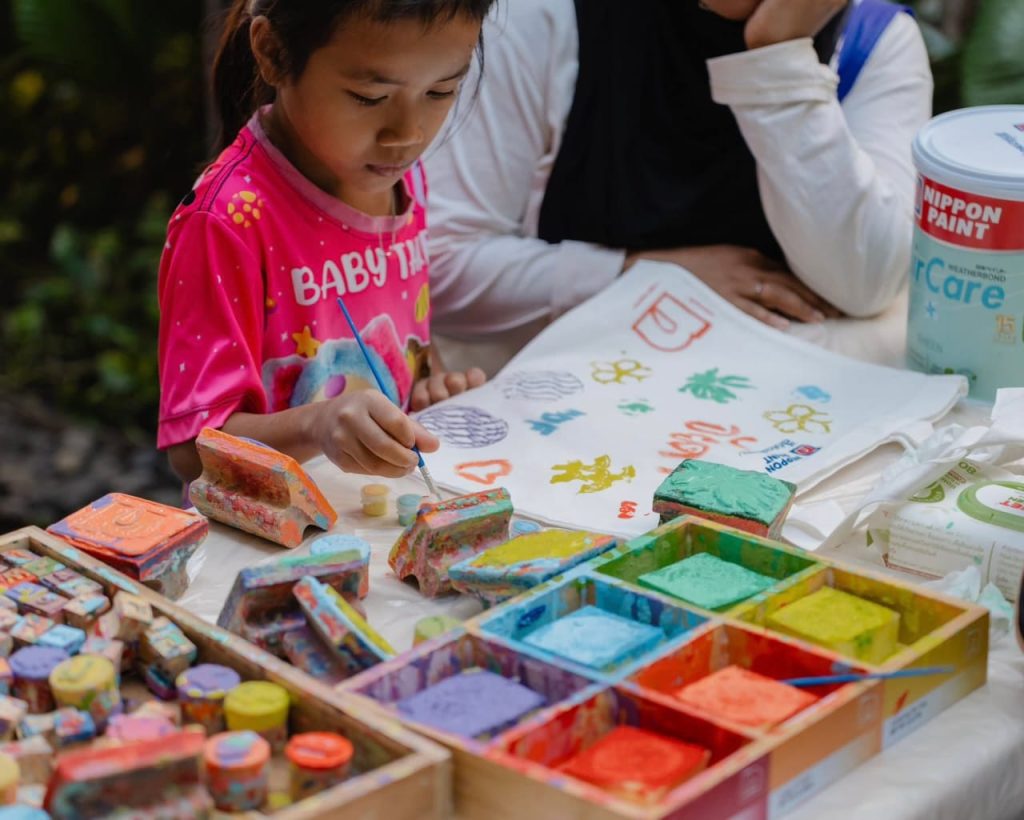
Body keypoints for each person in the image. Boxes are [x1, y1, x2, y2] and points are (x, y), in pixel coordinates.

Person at [426, 0, 933, 351]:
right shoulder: (540, 19)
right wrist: (644, 275)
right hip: (572, 397)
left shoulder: (876, 41)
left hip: (782, 404)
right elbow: (443, 268)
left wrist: (779, 56)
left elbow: (866, 282)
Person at [157, 0, 494, 482]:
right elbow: (192, 450)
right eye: (369, 97)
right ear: (272, 52)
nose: (408, 134)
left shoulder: (402, 179)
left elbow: (406, 334)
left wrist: (431, 386)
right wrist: (317, 425)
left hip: (376, 515)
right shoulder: (226, 220)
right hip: (266, 541)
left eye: (441, 91)